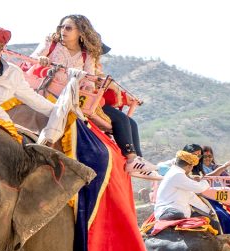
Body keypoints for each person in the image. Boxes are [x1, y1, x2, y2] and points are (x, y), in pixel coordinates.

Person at [33, 15, 155, 180]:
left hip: (76, 95)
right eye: (62, 27)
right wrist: (41, 60)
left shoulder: (86, 55)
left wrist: (90, 85)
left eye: (68, 28)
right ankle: (133, 159)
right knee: (122, 120)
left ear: (80, 33)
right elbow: (33, 59)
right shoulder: (51, 43)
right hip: (49, 90)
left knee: (129, 121)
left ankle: (136, 160)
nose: (63, 31)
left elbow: (91, 79)